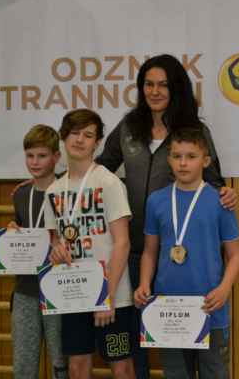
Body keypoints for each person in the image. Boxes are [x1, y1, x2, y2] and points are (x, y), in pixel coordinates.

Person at [96, 54, 237, 378]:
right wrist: (50, 183)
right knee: (140, 339)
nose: (155, 91)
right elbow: (99, 168)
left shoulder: (194, 131)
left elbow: (214, 181)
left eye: (163, 84)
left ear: (176, 88)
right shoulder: (129, 127)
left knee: (196, 351)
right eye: (148, 84)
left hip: (183, 258)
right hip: (135, 251)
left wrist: (227, 193)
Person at [134, 127, 239, 379]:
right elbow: (149, 252)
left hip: (209, 307)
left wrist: (224, 289)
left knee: (214, 373)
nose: (183, 163)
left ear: (205, 160)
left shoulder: (221, 201)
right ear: (169, 159)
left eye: (191, 156)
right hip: (168, 309)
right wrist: (144, 283)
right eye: (177, 156)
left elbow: (235, 255)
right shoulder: (156, 201)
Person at [45, 109, 135, 379]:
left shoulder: (108, 182)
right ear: (63, 137)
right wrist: (56, 250)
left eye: (88, 135)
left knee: (121, 367)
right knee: (77, 367)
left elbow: (122, 243)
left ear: (97, 142)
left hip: (113, 297)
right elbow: (55, 240)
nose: (80, 140)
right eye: (74, 133)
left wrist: (106, 296)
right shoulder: (53, 191)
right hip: (75, 295)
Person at [8, 124, 68, 379]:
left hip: (61, 289)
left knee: (60, 363)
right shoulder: (21, 194)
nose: (34, 162)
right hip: (26, 289)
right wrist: (13, 234)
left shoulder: (68, 191)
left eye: (42, 156)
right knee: (23, 364)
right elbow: (21, 229)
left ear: (56, 157)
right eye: (30, 155)